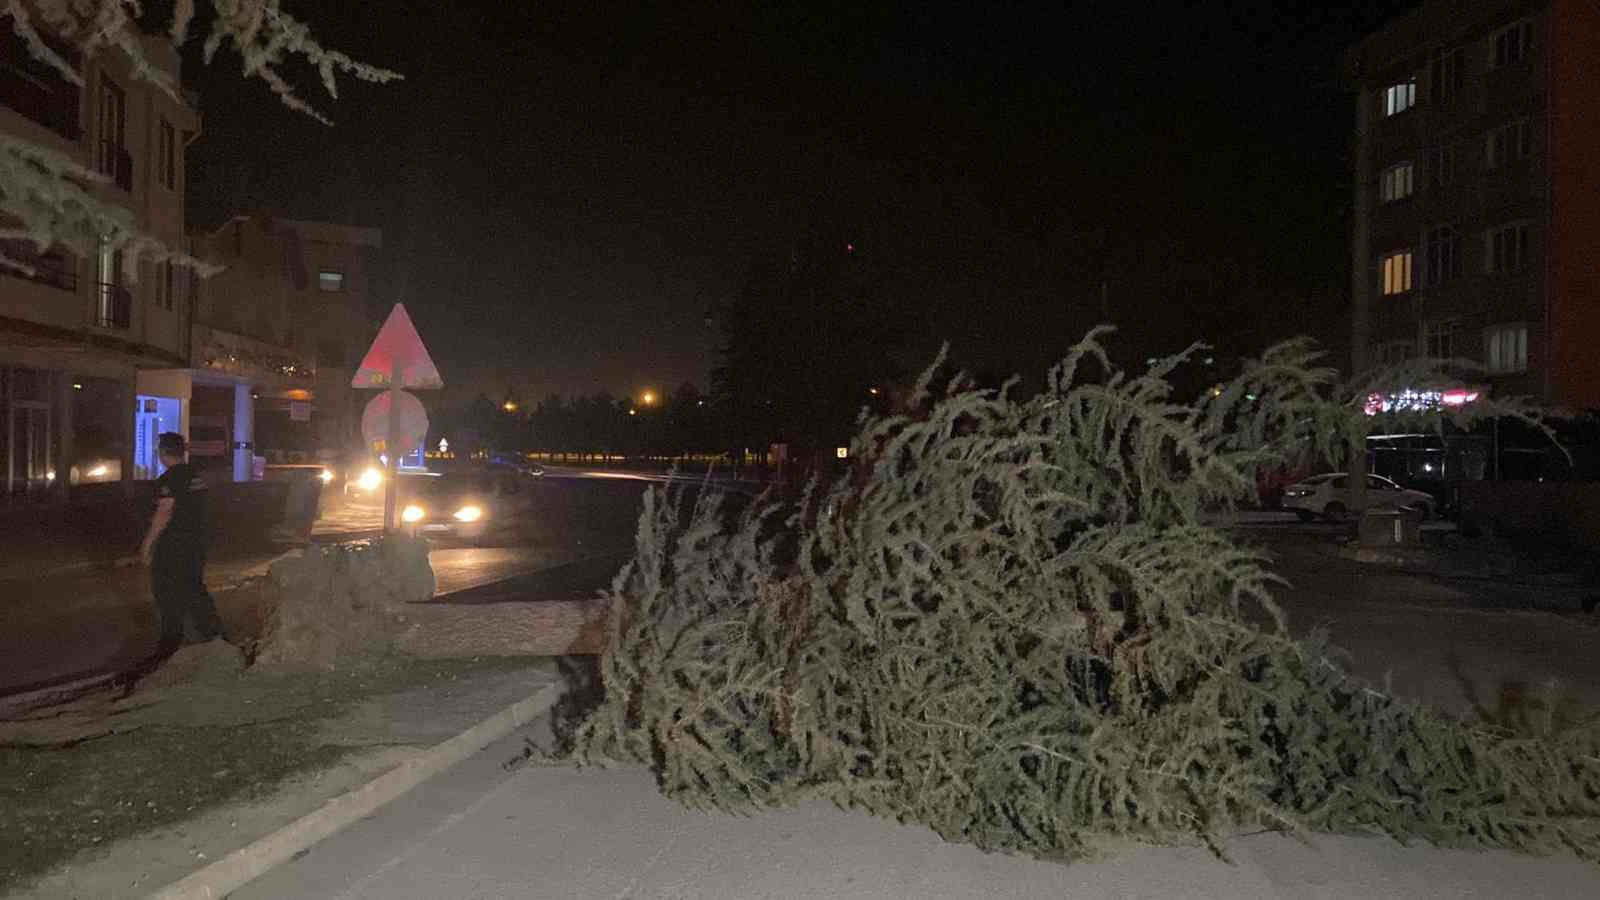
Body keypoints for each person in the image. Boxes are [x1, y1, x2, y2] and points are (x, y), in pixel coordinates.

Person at [139, 432, 225, 660]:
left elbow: (164, 513)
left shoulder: (168, 480)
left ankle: (170, 642)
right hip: (195, 542)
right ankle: (215, 635)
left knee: (166, 591)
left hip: (173, 544)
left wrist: (148, 544)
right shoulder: (195, 476)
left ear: (163, 453)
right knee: (194, 588)